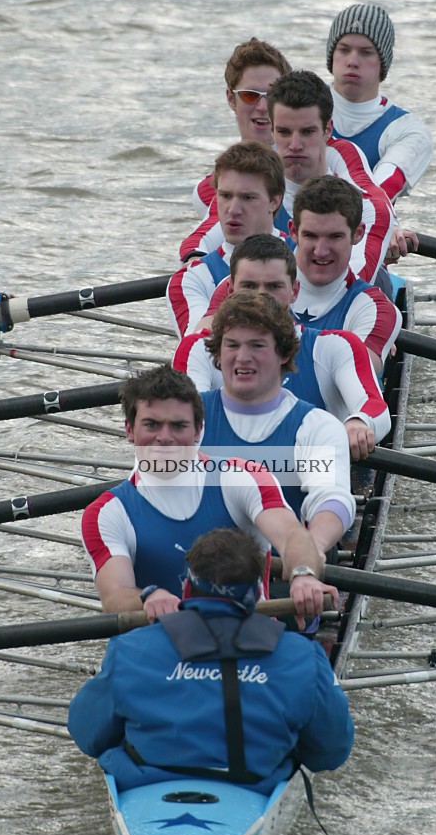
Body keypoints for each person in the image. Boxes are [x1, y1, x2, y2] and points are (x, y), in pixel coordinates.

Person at [67, 527, 354, 794]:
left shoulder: (130, 648)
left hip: (147, 786)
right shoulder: (303, 656)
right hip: (254, 788)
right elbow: (329, 752)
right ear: (256, 593)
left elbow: (87, 734)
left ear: (187, 590)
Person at [81, 364, 336, 624]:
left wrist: (303, 574)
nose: (165, 438)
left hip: (248, 647)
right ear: (129, 430)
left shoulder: (241, 477)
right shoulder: (106, 513)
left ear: (198, 431)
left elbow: (292, 534)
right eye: (152, 425)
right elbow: (115, 595)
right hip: (164, 651)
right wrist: (149, 597)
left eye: (178, 426)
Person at [173, 234, 390, 460]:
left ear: (294, 291)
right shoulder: (198, 347)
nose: (260, 297)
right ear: (229, 290)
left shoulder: (334, 347)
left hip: (313, 482)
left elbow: (375, 407)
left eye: (273, 286)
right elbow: (182, 416)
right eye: (249, 286)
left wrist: (359, 422)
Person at [181, 69, 401, 289]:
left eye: (306, 132)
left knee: (379, 282)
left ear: (327, 131)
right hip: (273, 296)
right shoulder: (252, 188)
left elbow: (351, 281)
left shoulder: (363, 197)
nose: (295, 145)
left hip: (334, 301)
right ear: (272, 129)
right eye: (285, 132)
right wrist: (196, 269)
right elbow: (200, 240)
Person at [199, 292, 356, 557]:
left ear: (283, 353)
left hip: (281, 571)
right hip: (194, 568)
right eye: (232, 345)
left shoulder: (317, 426)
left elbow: (332, 497)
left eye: (257, 345)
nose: (243, 357)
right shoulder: (186, 417)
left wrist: (311, 550)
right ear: (218, 351)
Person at [168, 141, 290, 336]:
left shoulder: (308, 259)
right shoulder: (192, 278)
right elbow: (201, 348)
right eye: (225, 196)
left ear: (274, 201)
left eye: (248, 198)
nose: (233, 210)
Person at [288, 176, 403, 373]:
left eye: (335, 237)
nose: (321, 251)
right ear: (293, 231)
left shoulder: (376, 309)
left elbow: (352, 378)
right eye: (310, 235)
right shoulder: (245, 285)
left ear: (357, 234)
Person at [326, 2, 433, 204]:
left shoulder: (407, 131)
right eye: (344, 50)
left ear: (382, 63)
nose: (352, 61)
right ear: (332, 56)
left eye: (366, 52)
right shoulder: (297, 103)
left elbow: (377, 196)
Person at [189, 37, 292, 223]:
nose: (262, 106)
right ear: (230, 98)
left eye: (272, 95)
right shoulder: (206, 193)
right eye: (249, 95)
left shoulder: (312, 165)